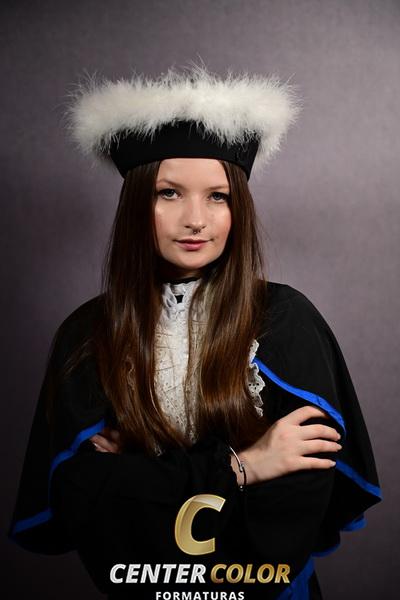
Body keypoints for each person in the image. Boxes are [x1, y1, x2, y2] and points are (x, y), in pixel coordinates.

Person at [8, 63, 381, 599]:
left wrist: (146, 478)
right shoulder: (87, 335)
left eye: (217, 196)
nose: (195, 220)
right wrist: (245, 465)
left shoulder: (285, 320)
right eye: (169, 193)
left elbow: (296, 505)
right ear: (136, 204)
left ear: (238, 209)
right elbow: (91, 507)